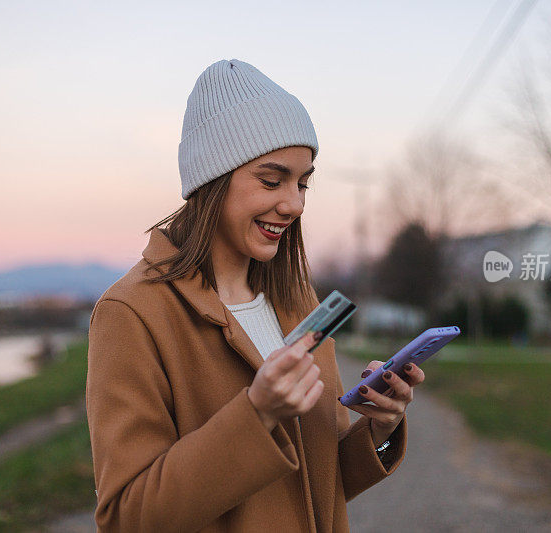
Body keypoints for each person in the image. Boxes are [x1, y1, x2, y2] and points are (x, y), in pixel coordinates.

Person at [85, 59, 423, 532]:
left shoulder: (298, 301)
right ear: (212, 180)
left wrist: (379, 429)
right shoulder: (131, 314)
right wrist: (257, 412)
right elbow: (128, 517)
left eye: (303, 182)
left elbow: (316, 487)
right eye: (272, 180)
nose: (295, 204)